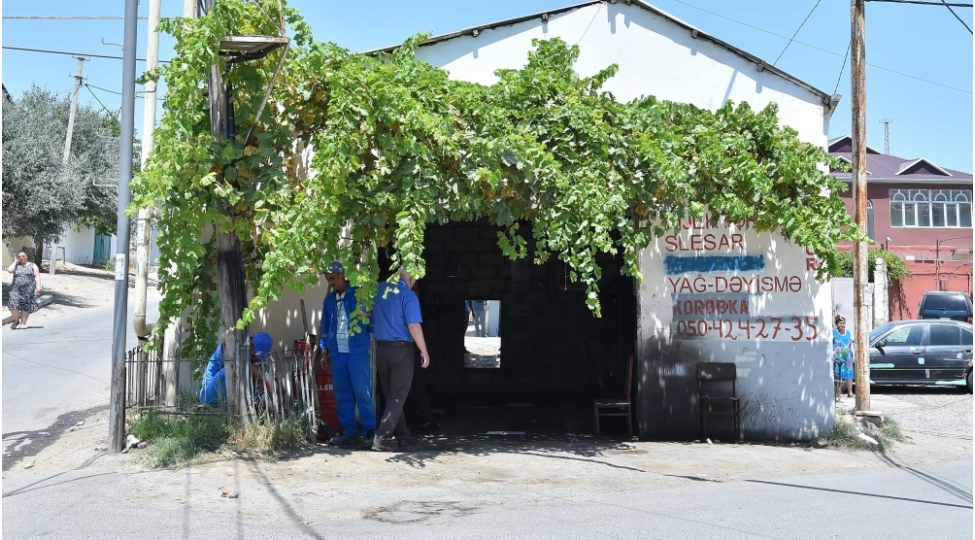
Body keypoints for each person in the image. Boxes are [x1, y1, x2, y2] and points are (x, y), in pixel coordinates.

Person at [319, 261, 377, 448]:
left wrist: (368, 317)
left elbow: (373, 318)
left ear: (343, 274)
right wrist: (323, 350)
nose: (331, 283)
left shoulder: (359, 294)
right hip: (337, 354)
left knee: (362, 392)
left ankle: (370, 431)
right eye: (328, 280)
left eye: (333, 278)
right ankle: (349, 433)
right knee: (342, 394)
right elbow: (325, 328)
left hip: (356, 351)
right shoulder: (328, 301)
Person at [371, 268, 429, 451]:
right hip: (401, 351)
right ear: (411, 278)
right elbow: (413, 325)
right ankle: (381, 438)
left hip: (381, 349)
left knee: (392, 394)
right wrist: (424, 351)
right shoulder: (408, 295)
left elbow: (364, 312)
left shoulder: (379, 290)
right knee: (397, 396)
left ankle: (403, 436)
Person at [200, 332, 274, 407]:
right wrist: (260, 373)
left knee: (259, 385)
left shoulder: (250, 353)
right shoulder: (230, 347)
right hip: (208, 394)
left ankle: (273, 407)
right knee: (229, 370)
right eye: (255, 354)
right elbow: (237, 366)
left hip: (227, 396)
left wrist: (268, 385)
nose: (255, 358)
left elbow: (257, 375)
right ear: (251, 344)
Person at [7, 252, 41, 329]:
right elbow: (9, 270)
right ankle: (16, 321)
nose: (21, 258)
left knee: (26, 306)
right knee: (13, 305)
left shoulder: (33, 265)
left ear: (26, 257)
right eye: (19, 256)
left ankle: (23, 323)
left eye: (23, 256)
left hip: (28, 289)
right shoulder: (16, 265)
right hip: (15, 289)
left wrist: (39, 286)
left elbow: (37, 276)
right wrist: (15, 261)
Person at [832, 315, 854, 401]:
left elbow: (850, 344)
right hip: (837, 356)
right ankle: (838, 392)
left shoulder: (848, 333)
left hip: (847, 356)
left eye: (843, 323)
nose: (842, 325)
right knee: (837, 374)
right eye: (840, 323)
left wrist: (853, 354)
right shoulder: (833, 332)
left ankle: (850, 392)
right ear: (837, 324)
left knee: (849, 374)